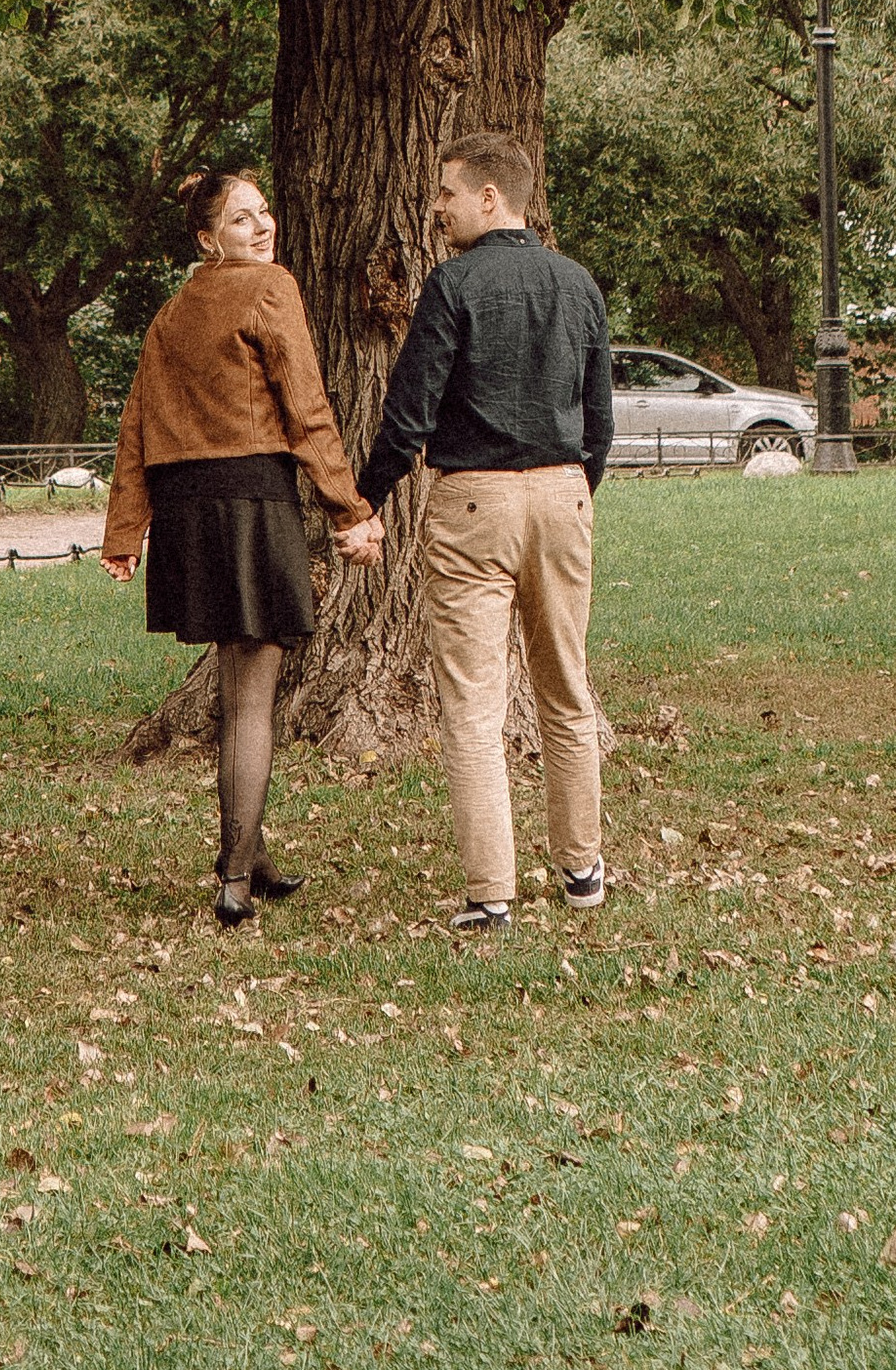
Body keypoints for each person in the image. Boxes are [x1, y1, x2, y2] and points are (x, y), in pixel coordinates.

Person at [353, 127, 613, 935]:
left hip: (472, 503)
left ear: (490, 198)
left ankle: (491, 894)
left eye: (446, 193)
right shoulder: (579, 285)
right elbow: (600, 420)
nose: (436, 208)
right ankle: (581, 869)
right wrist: (570, 485)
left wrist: (361, 501)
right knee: (565, 689)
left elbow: (408, 416)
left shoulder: (452, 286)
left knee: (472, 704)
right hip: (565, 494)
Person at [104, 168, 380, 926]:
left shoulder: (169, 311)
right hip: (253, 500)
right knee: (252, 699)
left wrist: (127, 530)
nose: (260, 230)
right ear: (206, 238)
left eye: (264, 214)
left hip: (190, 513)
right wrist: (348, 510)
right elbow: (307, 405)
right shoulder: (270, 286)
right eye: (240, 221)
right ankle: (232, 873)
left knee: (238, 689)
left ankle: (249, 851)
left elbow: (136, 422)